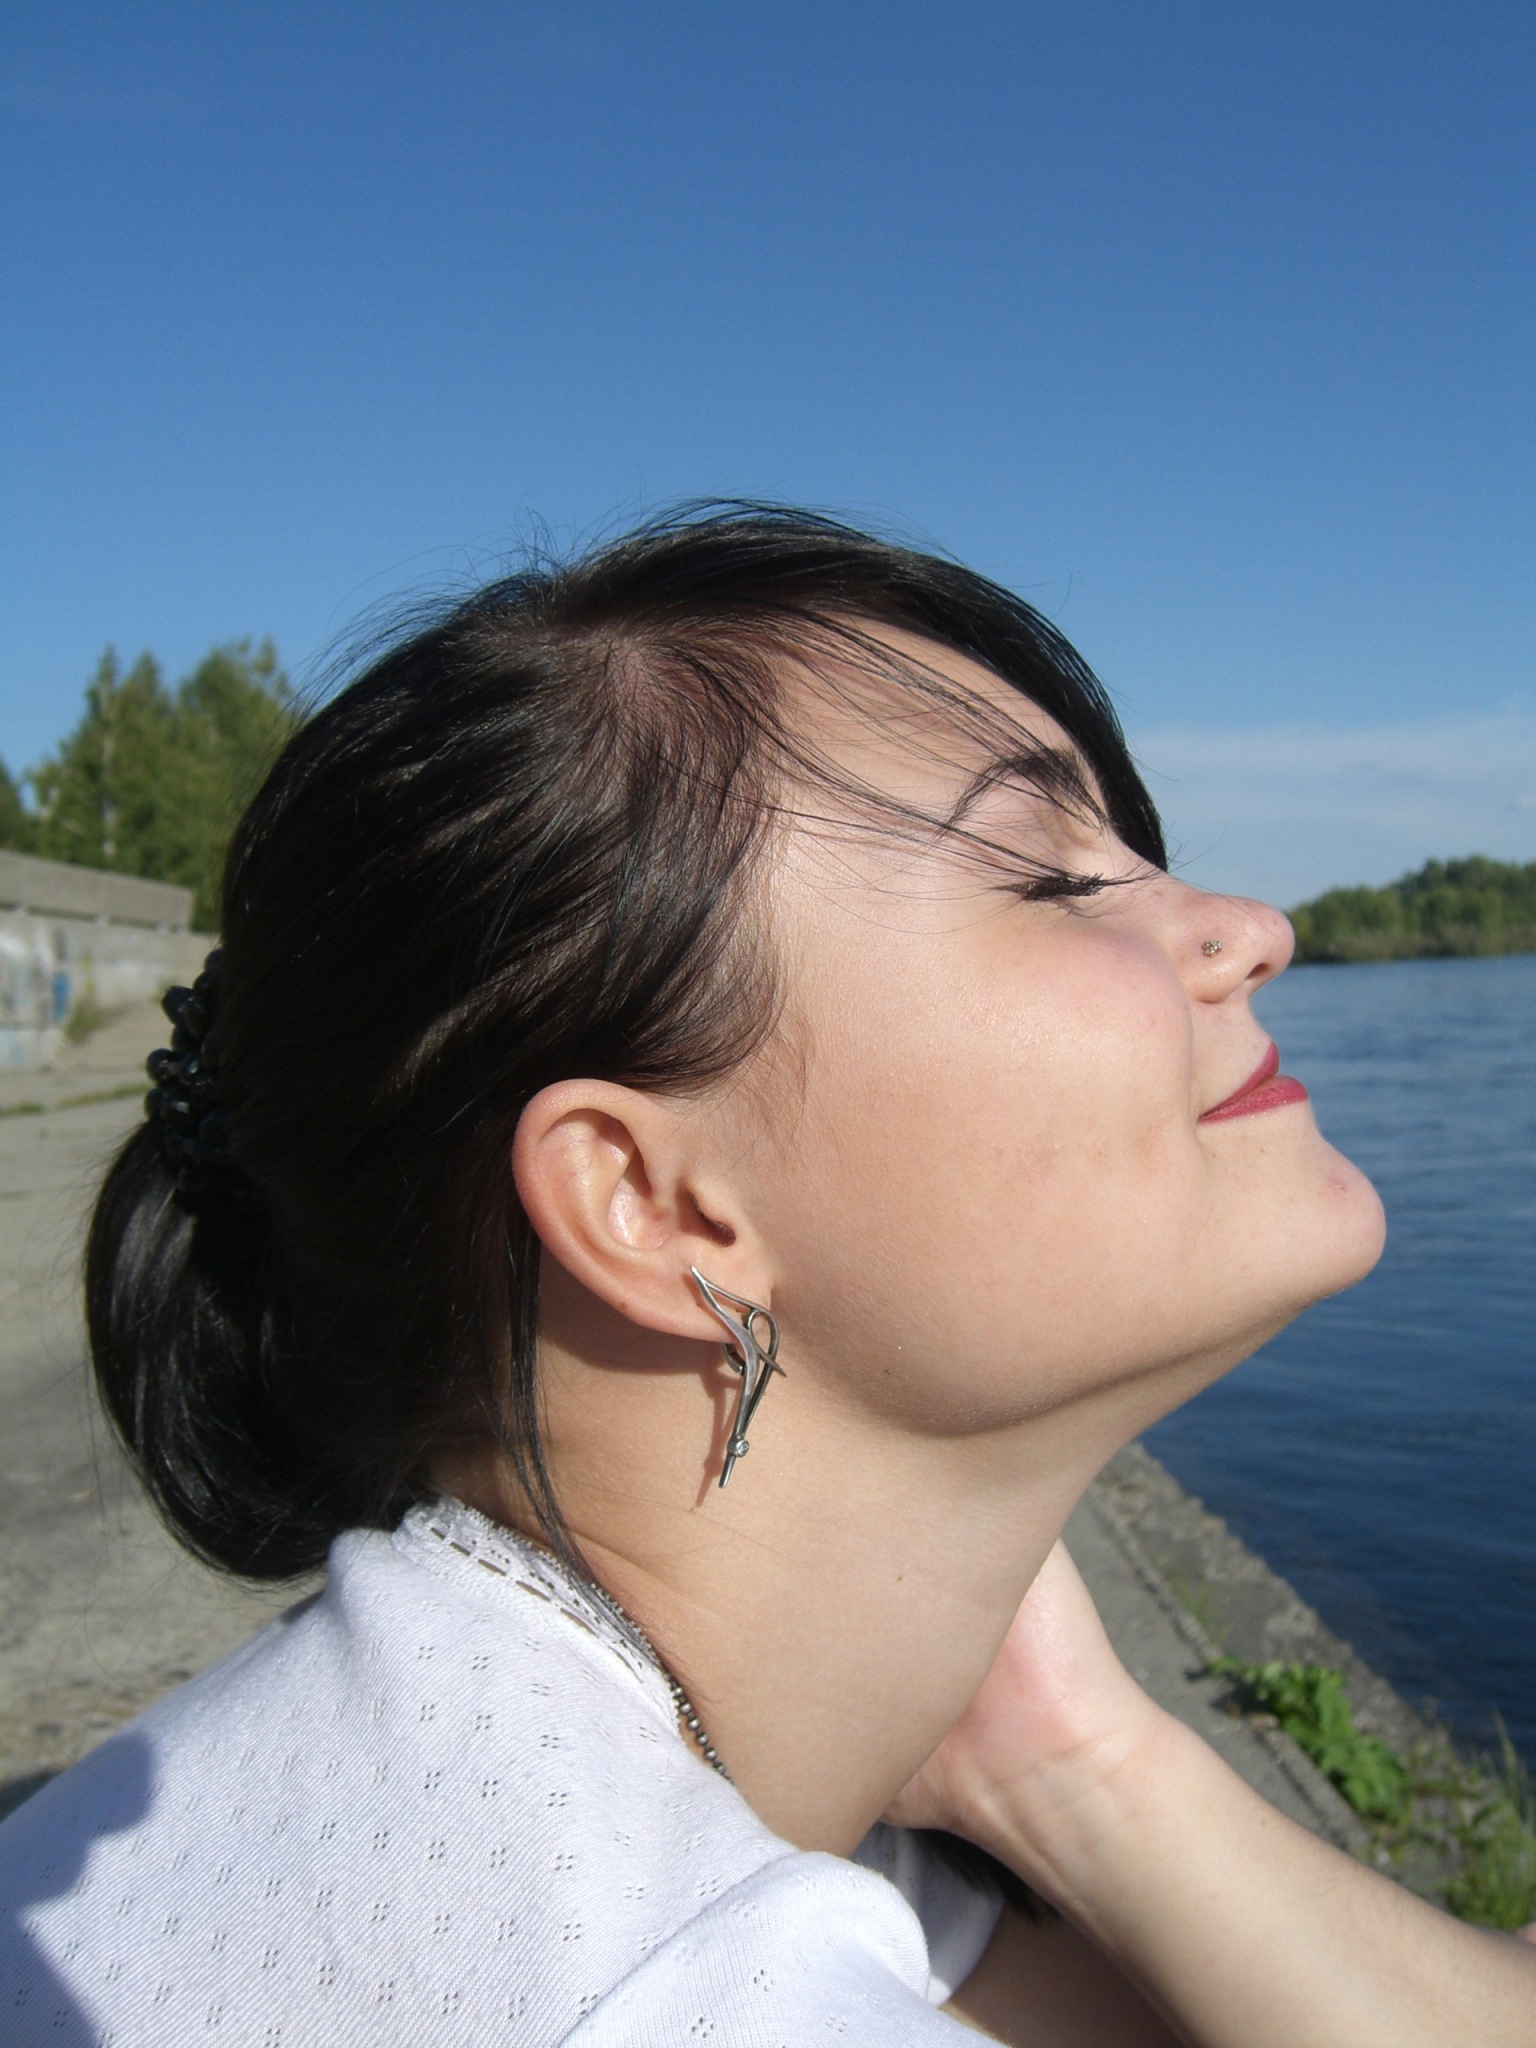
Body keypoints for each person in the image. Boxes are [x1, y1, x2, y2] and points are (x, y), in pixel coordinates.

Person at [1, 507, 1531, 2047]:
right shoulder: (663, 1985)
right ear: (654, 1204)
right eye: (1050, 877)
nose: (1256, 930)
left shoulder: (535, 1765)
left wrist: (1078, 1769)